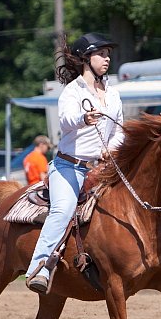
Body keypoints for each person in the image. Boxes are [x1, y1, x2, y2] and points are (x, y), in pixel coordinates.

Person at [25, 33, 124, 294]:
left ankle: (159, 261)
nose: (107, 59)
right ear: (85, 59)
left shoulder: (113, 95)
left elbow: (119, 132)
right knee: (63, 209)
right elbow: (66, 121)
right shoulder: (72, 91)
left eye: (108, 54)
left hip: (102, 168)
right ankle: (39, 268)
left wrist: (110, 150)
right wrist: (83, 118)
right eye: (101, 54)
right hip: (69, 167)